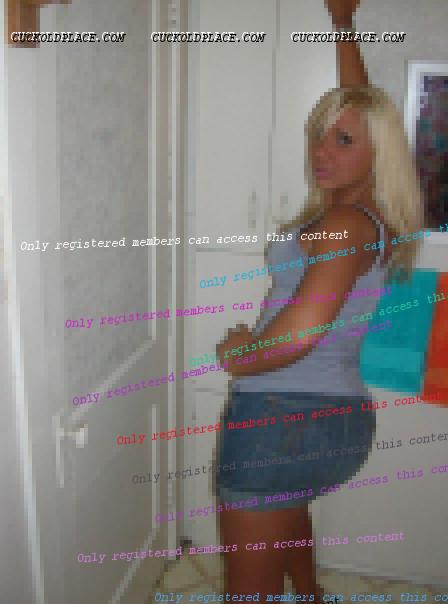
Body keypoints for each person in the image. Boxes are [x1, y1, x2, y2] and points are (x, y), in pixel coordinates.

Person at [214, 0, 423, 601]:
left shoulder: (344, 225)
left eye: (342, 141)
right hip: (333, 423)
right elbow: (362, 108)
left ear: (377, 151)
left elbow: (299, 335)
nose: (321, 152)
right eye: (318, 137)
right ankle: (309, 595)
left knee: (248, 592)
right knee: (289, 511)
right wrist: (342, 24)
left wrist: (239, 355)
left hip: (281, 418)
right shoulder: (372, 215)